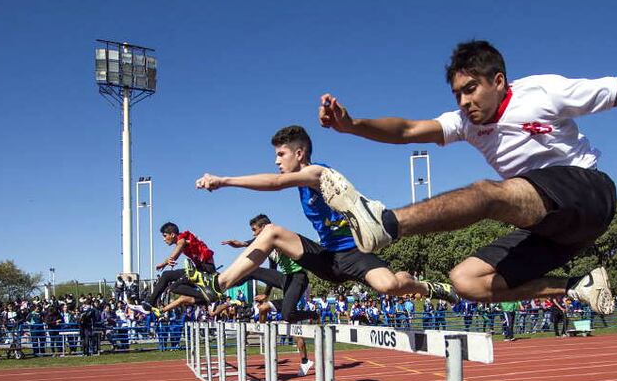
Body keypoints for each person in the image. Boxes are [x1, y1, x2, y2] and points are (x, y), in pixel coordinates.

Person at [317, 37, 617, 315]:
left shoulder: (543, 92)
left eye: (470, 90)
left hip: (586, 192)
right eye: (457, 94)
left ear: (499, 81)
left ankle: (387, 223)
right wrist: (351, 125)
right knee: (468, 280)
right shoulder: (465, 123)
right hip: (550, 225)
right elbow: (407, 129)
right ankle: (578, 287)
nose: (463, 103)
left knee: (491, 195)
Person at [188, 125, 458, 307]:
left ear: (300, 153)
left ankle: (427, 287)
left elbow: (273, 182)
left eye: (281, 154)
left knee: (390, 286)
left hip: (356, 252)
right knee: (270, 232)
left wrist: (224, 180)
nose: (276, 161)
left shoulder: (318, 173)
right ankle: (218, 285)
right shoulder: (303, 186)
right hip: (327, 258)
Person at [223, 213, 317, 376]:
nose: (253, 233)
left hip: (298, 278)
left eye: (254, 230)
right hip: (285, 279)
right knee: (256, 274)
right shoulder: (269, 250)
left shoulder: (278, 237)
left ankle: (313, 314)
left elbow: (255, 241)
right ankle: (222, 286)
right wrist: (266, 294)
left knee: (289, 316)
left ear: (265, 228)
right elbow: (272, 271)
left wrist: (243, 244)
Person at [136, 222, 218, 315]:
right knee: (167, 276)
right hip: (199, 268)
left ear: (172, 234)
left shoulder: (182, 238)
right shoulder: (184, 239)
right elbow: (178, 250)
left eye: (165, 236)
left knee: (174, 287)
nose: (164, 239)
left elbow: (180, 245)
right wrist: (164, 263)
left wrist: (170, 259)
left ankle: (211, 297)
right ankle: (150, 304)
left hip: (206, 269)